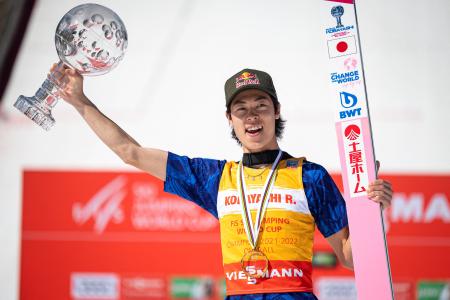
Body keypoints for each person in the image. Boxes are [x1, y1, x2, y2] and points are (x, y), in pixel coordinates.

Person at [56, 65, 393, 299]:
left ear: (276, 111)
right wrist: (80, 101)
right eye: (241, 108)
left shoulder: (310, 176)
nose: (252, 115)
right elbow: (131, 152)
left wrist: (370, 211)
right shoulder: (217, 178)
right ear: (229, 119)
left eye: (261, 105)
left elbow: (350, 257)